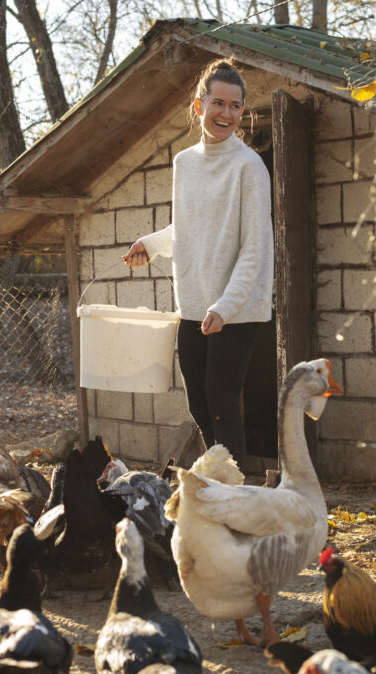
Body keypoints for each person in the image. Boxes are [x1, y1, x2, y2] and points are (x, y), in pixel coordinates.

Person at [122, 58, 273, 468]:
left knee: (223, 402)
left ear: (242, 111)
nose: (226, 113)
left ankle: (234, 500)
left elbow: (255, 247)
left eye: (235, 106)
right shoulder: (184, 164)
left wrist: (225, 306)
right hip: (193, 302)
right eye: (218, 103)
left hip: (237, 307)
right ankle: (222, 480)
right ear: (198, 105)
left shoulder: (249, 166)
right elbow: (188, 228)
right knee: (199, 404)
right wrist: (150, 245)